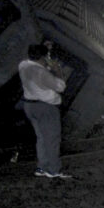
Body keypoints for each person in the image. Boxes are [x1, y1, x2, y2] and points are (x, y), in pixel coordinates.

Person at [19, 43, 70, 178]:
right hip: (45, 107)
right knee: (52, 139)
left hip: (29, 106)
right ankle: (54, 170)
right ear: (42, 57)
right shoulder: (41, 72)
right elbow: (60, 87)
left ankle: (41, 167)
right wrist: (58, 70)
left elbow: (38, 65)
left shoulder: (23, 65)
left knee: (41, 138)